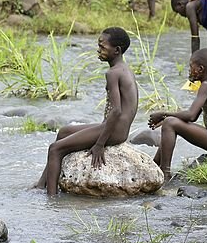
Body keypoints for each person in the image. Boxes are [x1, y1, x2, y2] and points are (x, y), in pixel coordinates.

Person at [35, 28, 138, 196]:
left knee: (55, 149)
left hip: (115, 130)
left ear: (117, 50)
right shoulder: (124, 69)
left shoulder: (113, 73)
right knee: (63, 132)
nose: (98, 50)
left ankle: (51, 198)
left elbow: (116, 111)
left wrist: (100, 144)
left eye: (102, 47)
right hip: (118, 128)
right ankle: (41, 185)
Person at [148, 48, 207, 179]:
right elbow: (192, 117)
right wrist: (166, 117)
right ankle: (155, 165)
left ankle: (164, 173)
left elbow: (190, 115)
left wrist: (163, 114)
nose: (189, 70)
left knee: (170, 123)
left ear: (200, 69)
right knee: (169, 122)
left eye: (190, 66)